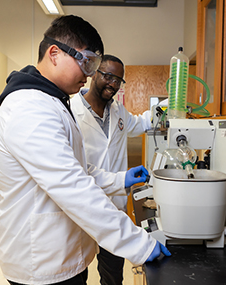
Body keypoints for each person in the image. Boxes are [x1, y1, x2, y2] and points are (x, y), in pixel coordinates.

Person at [0, 15, 170, 285]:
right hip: (40, 261)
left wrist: (119, 179)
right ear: (54, 53)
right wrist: (139, 244)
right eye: (86, 62)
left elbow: (77, 169)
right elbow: (72, 186)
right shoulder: (29, 108)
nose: (89, 75)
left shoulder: (52, 101)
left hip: (62, 251)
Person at [70, 55, 152, 285]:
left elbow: (140, 124)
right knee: (78, 272)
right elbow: (76, 168)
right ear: (94, 73)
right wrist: (120, 178)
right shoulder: (70, 112)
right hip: (83, 207)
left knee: (113, 276)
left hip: (114, 208)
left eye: (118, 80)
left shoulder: (118, 111)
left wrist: (167, 106)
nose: (113, 84)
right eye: (108, 76)